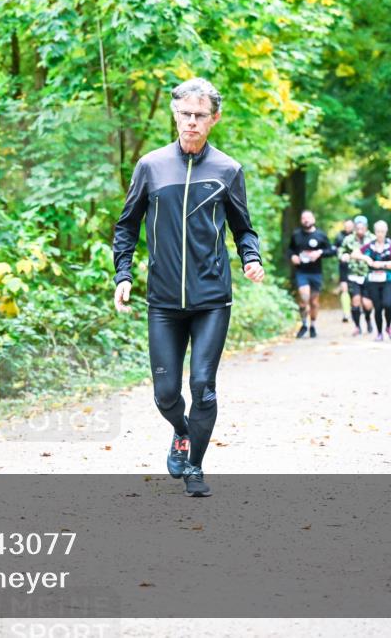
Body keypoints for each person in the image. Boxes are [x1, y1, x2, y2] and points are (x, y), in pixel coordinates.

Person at [113, 77, 265, 498]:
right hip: (163, 300)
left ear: (214, 119)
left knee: (203, 386)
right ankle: (181, 432)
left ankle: (195, 465)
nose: (191, 122)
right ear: (175, 115)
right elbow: (125, 227)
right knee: (166, 393)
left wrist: (251, 258)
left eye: (200, 115)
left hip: (212, 299)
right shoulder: (151, 166)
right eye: (185, 114)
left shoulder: (228, 170)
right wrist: (122, 274)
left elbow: (243, 229)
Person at [286, 210, 336, 338]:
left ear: (313, 219)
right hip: (302, 272)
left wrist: (319, 253)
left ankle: (312, 325)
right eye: (303, 218)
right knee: (304, 298)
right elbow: (290, 249)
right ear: (301, 220)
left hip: (316, 273)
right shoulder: (296, 234)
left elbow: (331, 251)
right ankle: (303, 324)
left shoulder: (320, 235)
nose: (306, 220)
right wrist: (293, 257)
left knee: (314, 302)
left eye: (308, 218)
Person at [355, 220, 391, 341]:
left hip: (387, 280)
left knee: (388, 304)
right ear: (374, 232)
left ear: (386, 232)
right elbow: (354, 254)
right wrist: (366, 258)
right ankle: (379, 333)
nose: (380, 234)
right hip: (373, 281)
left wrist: (382, 264)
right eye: (378, 231)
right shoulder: (370, 245)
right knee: (378, 307)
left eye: (382, 231)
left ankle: (389, 327)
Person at [339, 215, 375, 336]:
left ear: (366, 227)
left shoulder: (372, 239)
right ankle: (357, 326)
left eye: (362, 227)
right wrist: (343, 255)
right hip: (353, 274)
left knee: (367, 303)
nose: (360, 230)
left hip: (368, 274)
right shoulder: (348, 239)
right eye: (357, 227)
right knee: (355, 301)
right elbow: (342, 251)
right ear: (355, 227)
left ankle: (369, 320)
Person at [333, 218, 355, 323]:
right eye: (346, 226)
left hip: (357, 268)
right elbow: (334, 250)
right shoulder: (339, 237)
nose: (348, 228)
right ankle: (346, 313)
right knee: (344, 288)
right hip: (343, 266)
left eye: (350, 226)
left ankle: (355, 309)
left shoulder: (357, 237)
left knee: (354, 290)